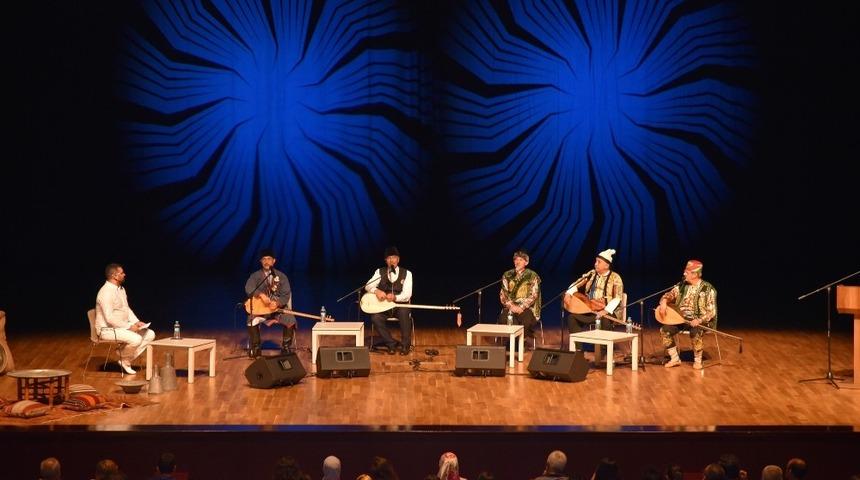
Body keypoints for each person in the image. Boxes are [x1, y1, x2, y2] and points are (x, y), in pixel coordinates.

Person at [95, 263, 156, 375]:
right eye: (121, 273)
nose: (124, 274)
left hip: (121, 326)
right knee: (136, 339)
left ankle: (125, 359)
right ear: (114, 275)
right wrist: (129, 327)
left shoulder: (120, 289)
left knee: (150, 334)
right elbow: (109, 318)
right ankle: (123, 355)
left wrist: (136, 322)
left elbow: (126, 309)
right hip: (107, 330)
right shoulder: (105, 292)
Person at [658, 260, 717, 370]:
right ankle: (675, 359)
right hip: (682, 319)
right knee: (665, 330)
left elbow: (711, 311)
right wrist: (664, 302)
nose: (684, 274)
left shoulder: (708, 289)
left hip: (701, 321)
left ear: (695, 274)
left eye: (687, 272)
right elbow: (668, 295)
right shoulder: (681, 286)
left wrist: (699, 320)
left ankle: (698, 361)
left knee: (695, 331)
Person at [564, 249, 624, 351]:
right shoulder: (591, 274)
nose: (595, 264)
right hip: (590, 309)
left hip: (608, 311)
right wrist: (568, 293)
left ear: (607, 265)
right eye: (596, 261)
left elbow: (618, 297)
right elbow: (576, 284)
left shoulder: (615, 277)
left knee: (605, 319)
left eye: (598, 262)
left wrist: (605, 311)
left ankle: (603, 352)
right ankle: (578, 351)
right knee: (572, 318)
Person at [245, 249, 296, 358]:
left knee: (290, 319)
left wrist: (278, 303)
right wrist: (261, 295)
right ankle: (256, 347)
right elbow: (248, 288)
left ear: (274, 261)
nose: (266, 261)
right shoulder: (255, 276)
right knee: (251, 319)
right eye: (264, 259)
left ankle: (286, 347)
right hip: (261, 311)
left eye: (269, 259)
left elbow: (286, 294)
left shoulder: (281, 276)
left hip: (276, 311)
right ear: (261, 261)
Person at [365, 246, 413, 355]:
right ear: (386, 260)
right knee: (375, 317)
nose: (392, 260)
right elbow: (368, 286)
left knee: (405, 312)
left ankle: (405, 345)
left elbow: (407, 295)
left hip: (399, 305)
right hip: (384, 306)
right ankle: (391, 344)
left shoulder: (407, 273)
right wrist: (376, 291)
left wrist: (395, 297)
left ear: (398, 260)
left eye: (394, 257)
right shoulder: (380, 272)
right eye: (389, 258)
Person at [498, 249, 541, 345]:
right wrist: (511, 306)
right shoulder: (507, 275)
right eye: (516, 260)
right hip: (511, 306)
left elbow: (534, 295)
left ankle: (520, 342)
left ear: (526, 262)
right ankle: (513, 341)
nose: (517, 262)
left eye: (521, 260)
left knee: (526, 320)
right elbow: (503, 294)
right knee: (504, 318)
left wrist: (521, 307)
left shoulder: (532, 275)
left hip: (526, 308)